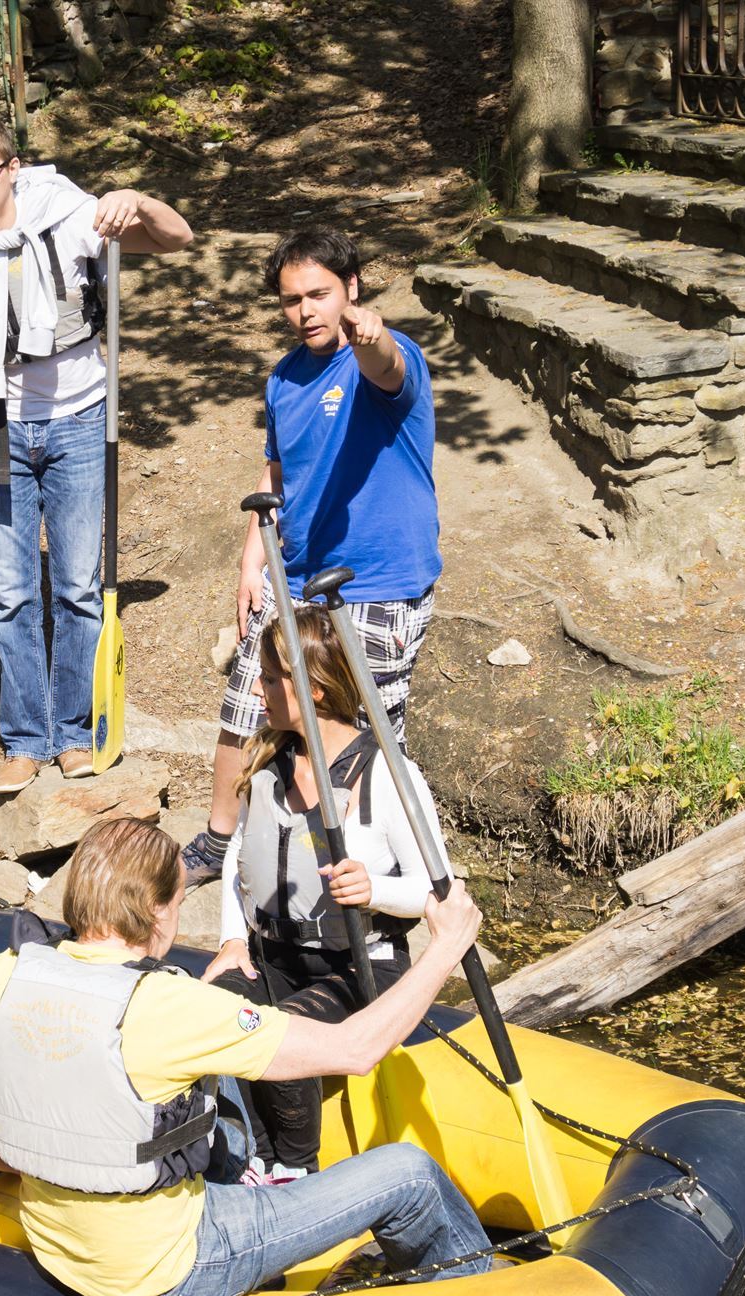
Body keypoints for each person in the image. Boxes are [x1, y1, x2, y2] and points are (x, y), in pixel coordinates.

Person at [0, 818, 491, 1296]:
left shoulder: (5, 974)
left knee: (224, 1119)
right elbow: (355, 1049)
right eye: (180, 900)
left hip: (63, 1253)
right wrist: (445, 948)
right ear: (158, 909)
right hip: (174, 1272)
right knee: (410, 1175)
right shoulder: (174, 1006)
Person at [0, 110, 194, 794]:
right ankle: (24, 740)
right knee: (11, 594)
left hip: (76, 422)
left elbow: (178, 238)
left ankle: (73, 733)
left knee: (75, 588)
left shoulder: (70, 214)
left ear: (12, 168)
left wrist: (139, 201)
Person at [182, 226, 443, 887]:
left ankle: (383, 863)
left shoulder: (385, 355)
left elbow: (386, 365)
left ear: (350, 288)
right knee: (248, 704)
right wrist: (251, 561)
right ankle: (218, 842)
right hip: (295, 575)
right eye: (292, 299)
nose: (305, 311)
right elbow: (276, 472)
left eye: (319, 294)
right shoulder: (284, 377)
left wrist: (370, 334)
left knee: (367, 726)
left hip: (379, 581)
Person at [201, 606, 460, 1183]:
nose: (258, 689)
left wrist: (375, 889)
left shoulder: (388, 774)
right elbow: (238, 856)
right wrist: (232, 940)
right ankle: (254, 1159)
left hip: (359, 966)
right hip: (274, 955)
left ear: (314, 690)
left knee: (279, 1032)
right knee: (219, 1007)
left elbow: (438, 892)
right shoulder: (268, 757)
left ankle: (296, 1170)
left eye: (271, 678)